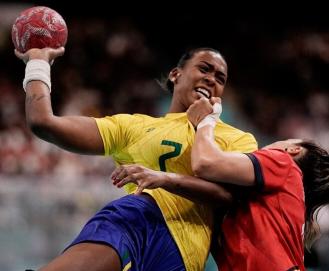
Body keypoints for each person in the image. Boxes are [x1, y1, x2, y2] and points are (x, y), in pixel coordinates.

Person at [16, 46, 257, 271]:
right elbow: (43, 123)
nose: (211, 79)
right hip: (138, 221)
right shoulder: (133, 127)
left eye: (220, 78)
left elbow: (229, 196)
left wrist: (164, 178)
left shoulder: (237, 139)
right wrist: (38, 62)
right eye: (204, 68)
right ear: (176, 74)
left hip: (186, 257)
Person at [112, 97, 329, 271]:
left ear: (293, 150)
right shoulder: (267, 204)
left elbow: (205, 163)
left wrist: (207, 121)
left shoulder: (284, 165)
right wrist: (164, 178)